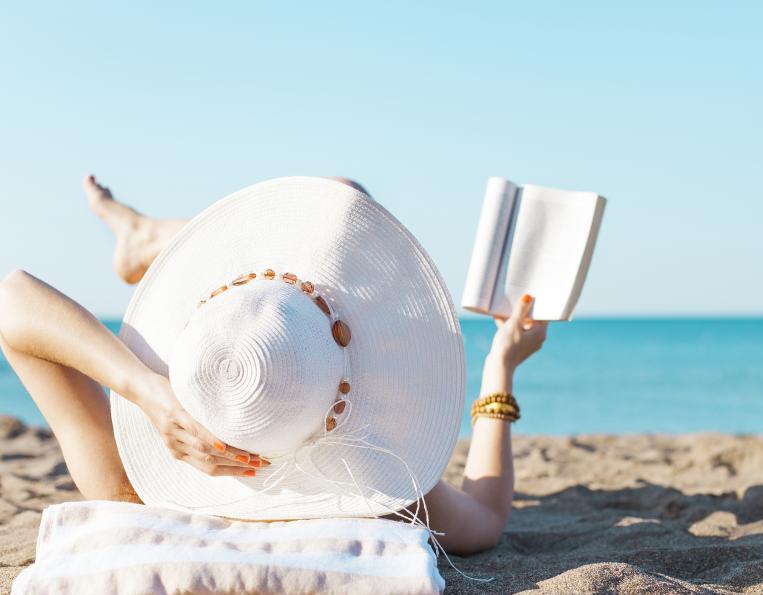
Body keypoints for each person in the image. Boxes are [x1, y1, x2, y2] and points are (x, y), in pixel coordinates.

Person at [0, 175, 548, 556]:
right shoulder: (375, 494)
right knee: (342, 197)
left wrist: (146, 391)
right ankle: (152, 239)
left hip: (170, 410)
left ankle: (149, 238)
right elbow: (486, 516)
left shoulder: (131, 491)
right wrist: (501, 364)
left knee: (336, 202)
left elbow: (12, 300)